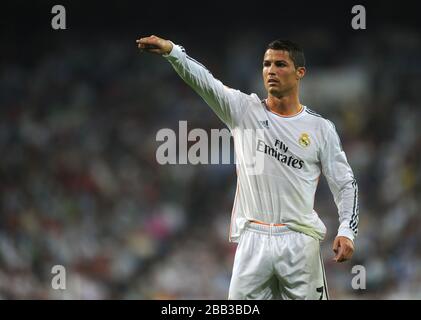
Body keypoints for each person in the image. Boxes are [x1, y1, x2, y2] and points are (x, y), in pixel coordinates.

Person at [136, 35, 359, 300]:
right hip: (252, 240)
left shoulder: (320, 129)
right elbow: (205, 82)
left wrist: (347, 230)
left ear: (300, 73)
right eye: (266, 64)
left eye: (280, 64)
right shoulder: (244, 110)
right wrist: (173, 52)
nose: (271, 71)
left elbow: (345, 183)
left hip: (299, 241)